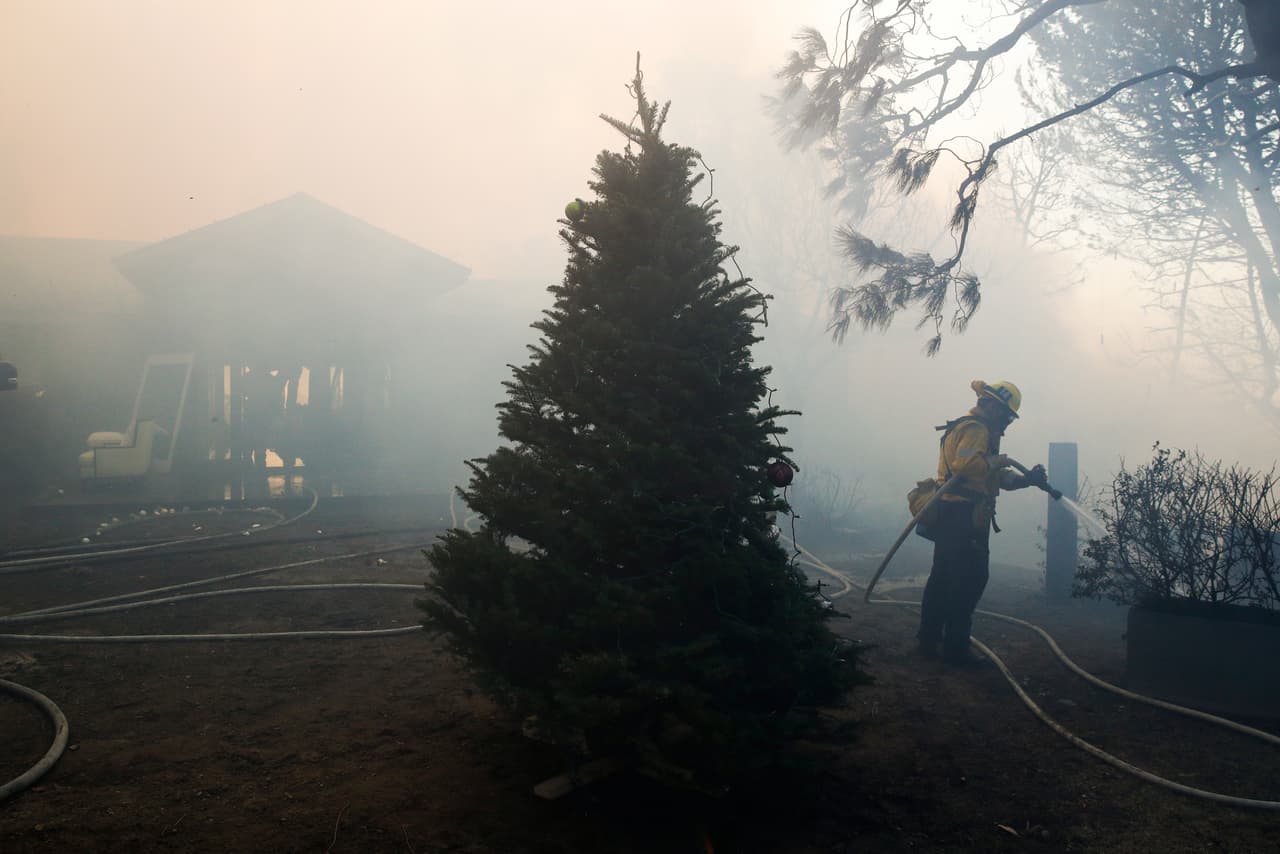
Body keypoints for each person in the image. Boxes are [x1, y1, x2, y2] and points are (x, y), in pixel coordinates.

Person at [917, 379, 1046, 667]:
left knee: (943, 579)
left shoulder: (977, 430)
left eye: (1010, 417)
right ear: (989, 404)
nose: (1008, 421)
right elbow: (967, 467)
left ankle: (928, 641)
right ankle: (955, 650)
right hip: (963, 518)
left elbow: (989, 478)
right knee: (969, 582)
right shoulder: (976, 429)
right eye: (1006, 414)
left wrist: (1027, 480)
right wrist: (998, 461)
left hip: (953, 515)